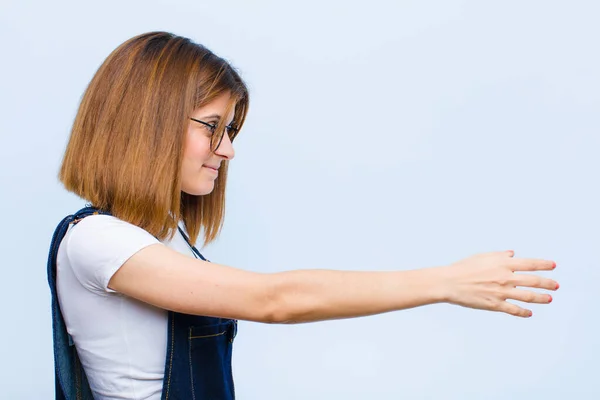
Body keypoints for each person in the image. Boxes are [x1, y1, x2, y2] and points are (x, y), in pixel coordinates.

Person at [47, 31, 559, 400]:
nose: (226, 151)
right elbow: (276, 300)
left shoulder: (163, 238)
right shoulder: (97, 241)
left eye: (232, 131)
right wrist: (446, 282)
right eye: (213, 126)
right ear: (150, 122)